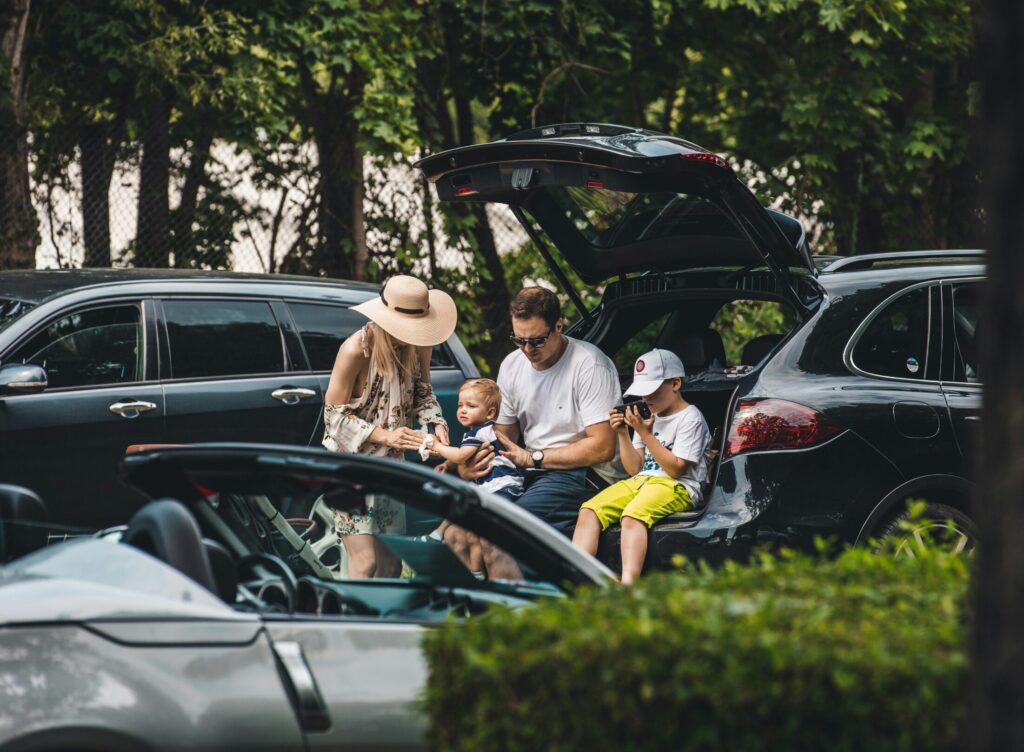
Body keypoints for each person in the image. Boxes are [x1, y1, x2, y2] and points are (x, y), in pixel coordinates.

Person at [322, 275, 456, 578]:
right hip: (350, 466)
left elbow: (423, 391)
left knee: (392, 563)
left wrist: (435, 422)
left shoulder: (419, 344)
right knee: (365, 562)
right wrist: (386, 435)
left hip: (390, 467)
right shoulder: (356, 350)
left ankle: (388, 621)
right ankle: (351, 624)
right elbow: (333, 418)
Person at [459, 286, 621, 528]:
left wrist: (533, 458)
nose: (526, 350)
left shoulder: (589, 365)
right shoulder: (512, 365)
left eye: (536, 341)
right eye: (519, 340)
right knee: (460, 526)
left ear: (558, 326)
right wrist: (470, 466)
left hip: (587, 474)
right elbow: (502, 436)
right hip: (532, 470)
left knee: (510, 526)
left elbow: (602, 447)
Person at [572, 349, 710, 584]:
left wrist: (646, 433)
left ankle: (629, 586)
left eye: (652, 391)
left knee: (633, 516)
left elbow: (676, 469)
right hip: (641, 480)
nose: (646, 399)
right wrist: (623, 434)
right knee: (590, 509)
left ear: (676, 383)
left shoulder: (690, 418)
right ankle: (575, 581)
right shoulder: (646, 418)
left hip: (677, 485)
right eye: (642, 393)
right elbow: (634, 468)